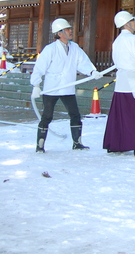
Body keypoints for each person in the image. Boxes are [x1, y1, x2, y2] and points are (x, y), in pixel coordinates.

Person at [30, 18, 103, 153]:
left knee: (75, 115)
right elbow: (39, 68)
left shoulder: (74, 47)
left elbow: (83, 62)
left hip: (68, 87)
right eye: (67, 29)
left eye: (70, 29)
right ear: (59, 33)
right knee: (47, 116)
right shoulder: (50, 49)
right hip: (52, 88)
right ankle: (40, 145)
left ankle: (77, 143)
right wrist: (36, 85)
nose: (71, 31)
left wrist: (92, 71)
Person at [103, 11, 135, 157]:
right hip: (132, 81)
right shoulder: (133, 39)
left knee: (120, 114)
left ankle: (115, 144)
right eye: (133, 21)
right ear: (126, 24)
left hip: (121, 82)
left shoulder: (118, 40)